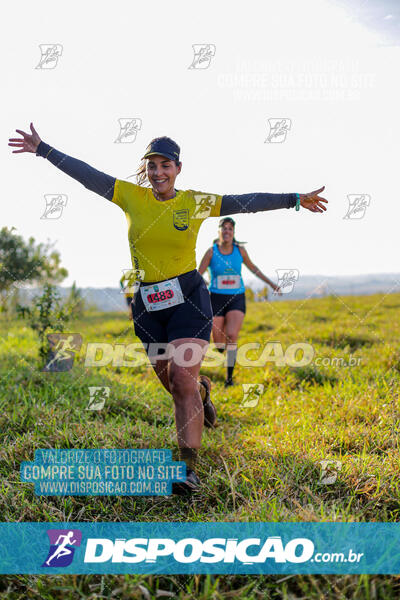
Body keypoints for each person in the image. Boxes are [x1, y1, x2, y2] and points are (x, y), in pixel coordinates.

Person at [8, 123, 328, 495]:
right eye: (152, 165)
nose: (158, 172)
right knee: (177, 387)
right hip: (148, 305)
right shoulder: (130, 197)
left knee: (180, 378)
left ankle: (188, 470)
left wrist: (293, 199)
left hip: (189, 298)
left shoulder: (194, 202)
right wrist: (43, 148)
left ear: (178, 169)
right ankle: (203, 392)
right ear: (145, 169)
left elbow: (247, 201)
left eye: (166, 165)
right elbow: (87, 175)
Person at [198, 217, 282, 387]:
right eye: (224, 228)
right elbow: (197, 275)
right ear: (219, 232)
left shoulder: (240, 251)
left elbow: (254, 269)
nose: (227, 231)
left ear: (233, 233)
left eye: (230, 229)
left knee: (232, 335)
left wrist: (272, 283)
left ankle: (229, 378)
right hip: (215, 298)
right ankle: (222, 351)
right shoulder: (211, 252)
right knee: (219, 343)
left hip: (237, 297)